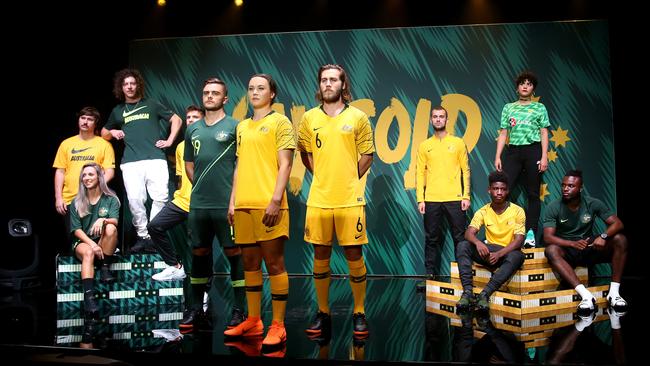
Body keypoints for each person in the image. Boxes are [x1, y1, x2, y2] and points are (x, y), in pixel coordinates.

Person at [298, 64, 374, 339]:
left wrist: (348, 178)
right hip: (319, 198)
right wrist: (322, 176)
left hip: (350, 199)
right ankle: (323, 313)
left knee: (354, 256)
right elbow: (305, 152)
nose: (328, 84)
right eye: (323, 80)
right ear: (319, 86)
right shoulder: (308, 118)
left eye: (333, 79)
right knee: (320, 256)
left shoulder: (358, 117)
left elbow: (367, 153)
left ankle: (359, 312)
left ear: (343, 84)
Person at [223, 73, 294, 348]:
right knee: (249, 264)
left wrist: (276, 200)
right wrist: (233, 201)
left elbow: (285, 164)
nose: (254, 92)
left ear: (272, 93)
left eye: (260, 88)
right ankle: (254, 320)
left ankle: (279, 325)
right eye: (251, 88)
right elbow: (239, 167)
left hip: (269, 204)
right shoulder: (242, 127)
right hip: (243, 206)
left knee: (274, 264)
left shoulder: (280, 122)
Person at [180, 78, 246, 332]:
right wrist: (202, 185)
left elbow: (241, 165)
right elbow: (189, 163)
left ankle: (239, 311)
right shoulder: (193, 128)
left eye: (215, 93)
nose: (209, 96)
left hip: (225, 205)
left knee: (234, 254)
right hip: (199, 205)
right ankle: (195, 308)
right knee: (199, 253)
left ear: (225, 99)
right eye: (206, 92)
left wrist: (231, 197)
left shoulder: (235, 127)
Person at [101, 68, 182, 252]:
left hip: (155, 159)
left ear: (138, 85)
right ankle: (144, 236)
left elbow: (176, 119)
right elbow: (104, 133)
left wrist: (169, 140)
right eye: (125, 84)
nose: (129, 87)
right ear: (121, 88)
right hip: (130, 162)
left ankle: (154, 233)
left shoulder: (151, 104)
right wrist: (113, 131)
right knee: (135, 200)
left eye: (132, 83)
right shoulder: (118, 111)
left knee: (160, 197)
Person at [543, 169, 628, 313]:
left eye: (570, 186)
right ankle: (586, 296)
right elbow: (548, 237)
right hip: (568, 250)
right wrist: (571, 243)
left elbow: (618, 223)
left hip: (588, 248)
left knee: (621, 239)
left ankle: (614, 294)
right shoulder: (554, 206)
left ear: (580, 188)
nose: (565, 189)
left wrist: (603, 237)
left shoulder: (592, 203)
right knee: (550, 250)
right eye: (563, 185)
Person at [455, 171, 525, 312]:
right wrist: (478, 243)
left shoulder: (517, 211)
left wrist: (500, 254)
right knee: (463, 245)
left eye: (503, 189)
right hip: (488, 253)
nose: (499, 192)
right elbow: (469, 232)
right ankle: (468, 292)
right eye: (495, 189)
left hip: (506, 254)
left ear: (507, 191)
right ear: (489, 190)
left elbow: (519, 241)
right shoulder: (483, 211)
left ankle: (485, 294)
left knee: (518, 255)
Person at [494, 70, 550, 247]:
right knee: (503, 191)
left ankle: (530, 233)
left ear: (533, 89)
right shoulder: (508, 107)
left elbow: (543, 132)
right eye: (522, 83)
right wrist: (498, 156)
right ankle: (505, 233)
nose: (525, 86)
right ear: (517, 88)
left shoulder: (539, 107)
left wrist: (544, 156)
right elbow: (504, 133)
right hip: (513, 152)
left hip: (533, 151)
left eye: (529, 84)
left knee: (533, 194)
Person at [148, 105, 203, 283]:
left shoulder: (209, 142)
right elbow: (181, 176)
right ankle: (175, 266)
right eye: (188, 117)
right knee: (154, 226)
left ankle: (201, 290)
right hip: (182, 201)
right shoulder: (180, 147)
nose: (191, 120)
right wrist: (180, 192)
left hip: (201, 204)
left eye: (195, 117)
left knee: (200, 249)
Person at [416, 105, 470, 277]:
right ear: (431, 120)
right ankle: (429, 275)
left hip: (454, 198)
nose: (438, 119)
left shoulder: (458, 142)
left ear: (447, 120)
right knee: (431, 239)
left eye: (441, 116)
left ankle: (463, 276)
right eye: (435, 116)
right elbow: (419, 173)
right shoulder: (424, 146)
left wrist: (466, 195)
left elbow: (465, 170)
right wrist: (420, 199)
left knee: (460, 239)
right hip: (431, 199)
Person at [69, 163, 120, 316]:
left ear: (99, 177)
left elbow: (115, 221)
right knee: (89, 253)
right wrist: (92, 244)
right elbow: (76, 230)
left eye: (91, 174)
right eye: (84, 175)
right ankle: (89, 299)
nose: (87, 178)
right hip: (83, 242)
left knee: (111, 228)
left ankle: (105, 268)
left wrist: (103, 220)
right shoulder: (76, 202)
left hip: (102, 241)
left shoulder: (111, 198)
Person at [53, 107, 115, 229]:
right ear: (78, 120)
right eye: (83, 118)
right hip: (70, 199)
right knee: (75, 241)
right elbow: (60, 171)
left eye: (90, 119)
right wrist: (58, 197)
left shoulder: (104, 144)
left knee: (95, 237)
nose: (85, 122)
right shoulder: (66, 144)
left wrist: (96, 185)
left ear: (95, 123)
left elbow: (110, 172)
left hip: (94, 199)